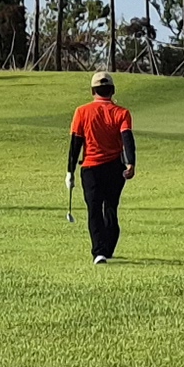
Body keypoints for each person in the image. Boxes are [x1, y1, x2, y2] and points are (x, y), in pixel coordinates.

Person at [65, 73, 135, 263]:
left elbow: (75, 143)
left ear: (92, 91)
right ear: (112, 91)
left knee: (94, 210)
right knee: (111, 208)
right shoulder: (122, 113)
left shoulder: (82, 111)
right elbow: (127, 139)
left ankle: (99, 251)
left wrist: (69, 171)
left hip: (91, 169)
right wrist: (131, 163)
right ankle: (108, 248)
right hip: (115, 168)